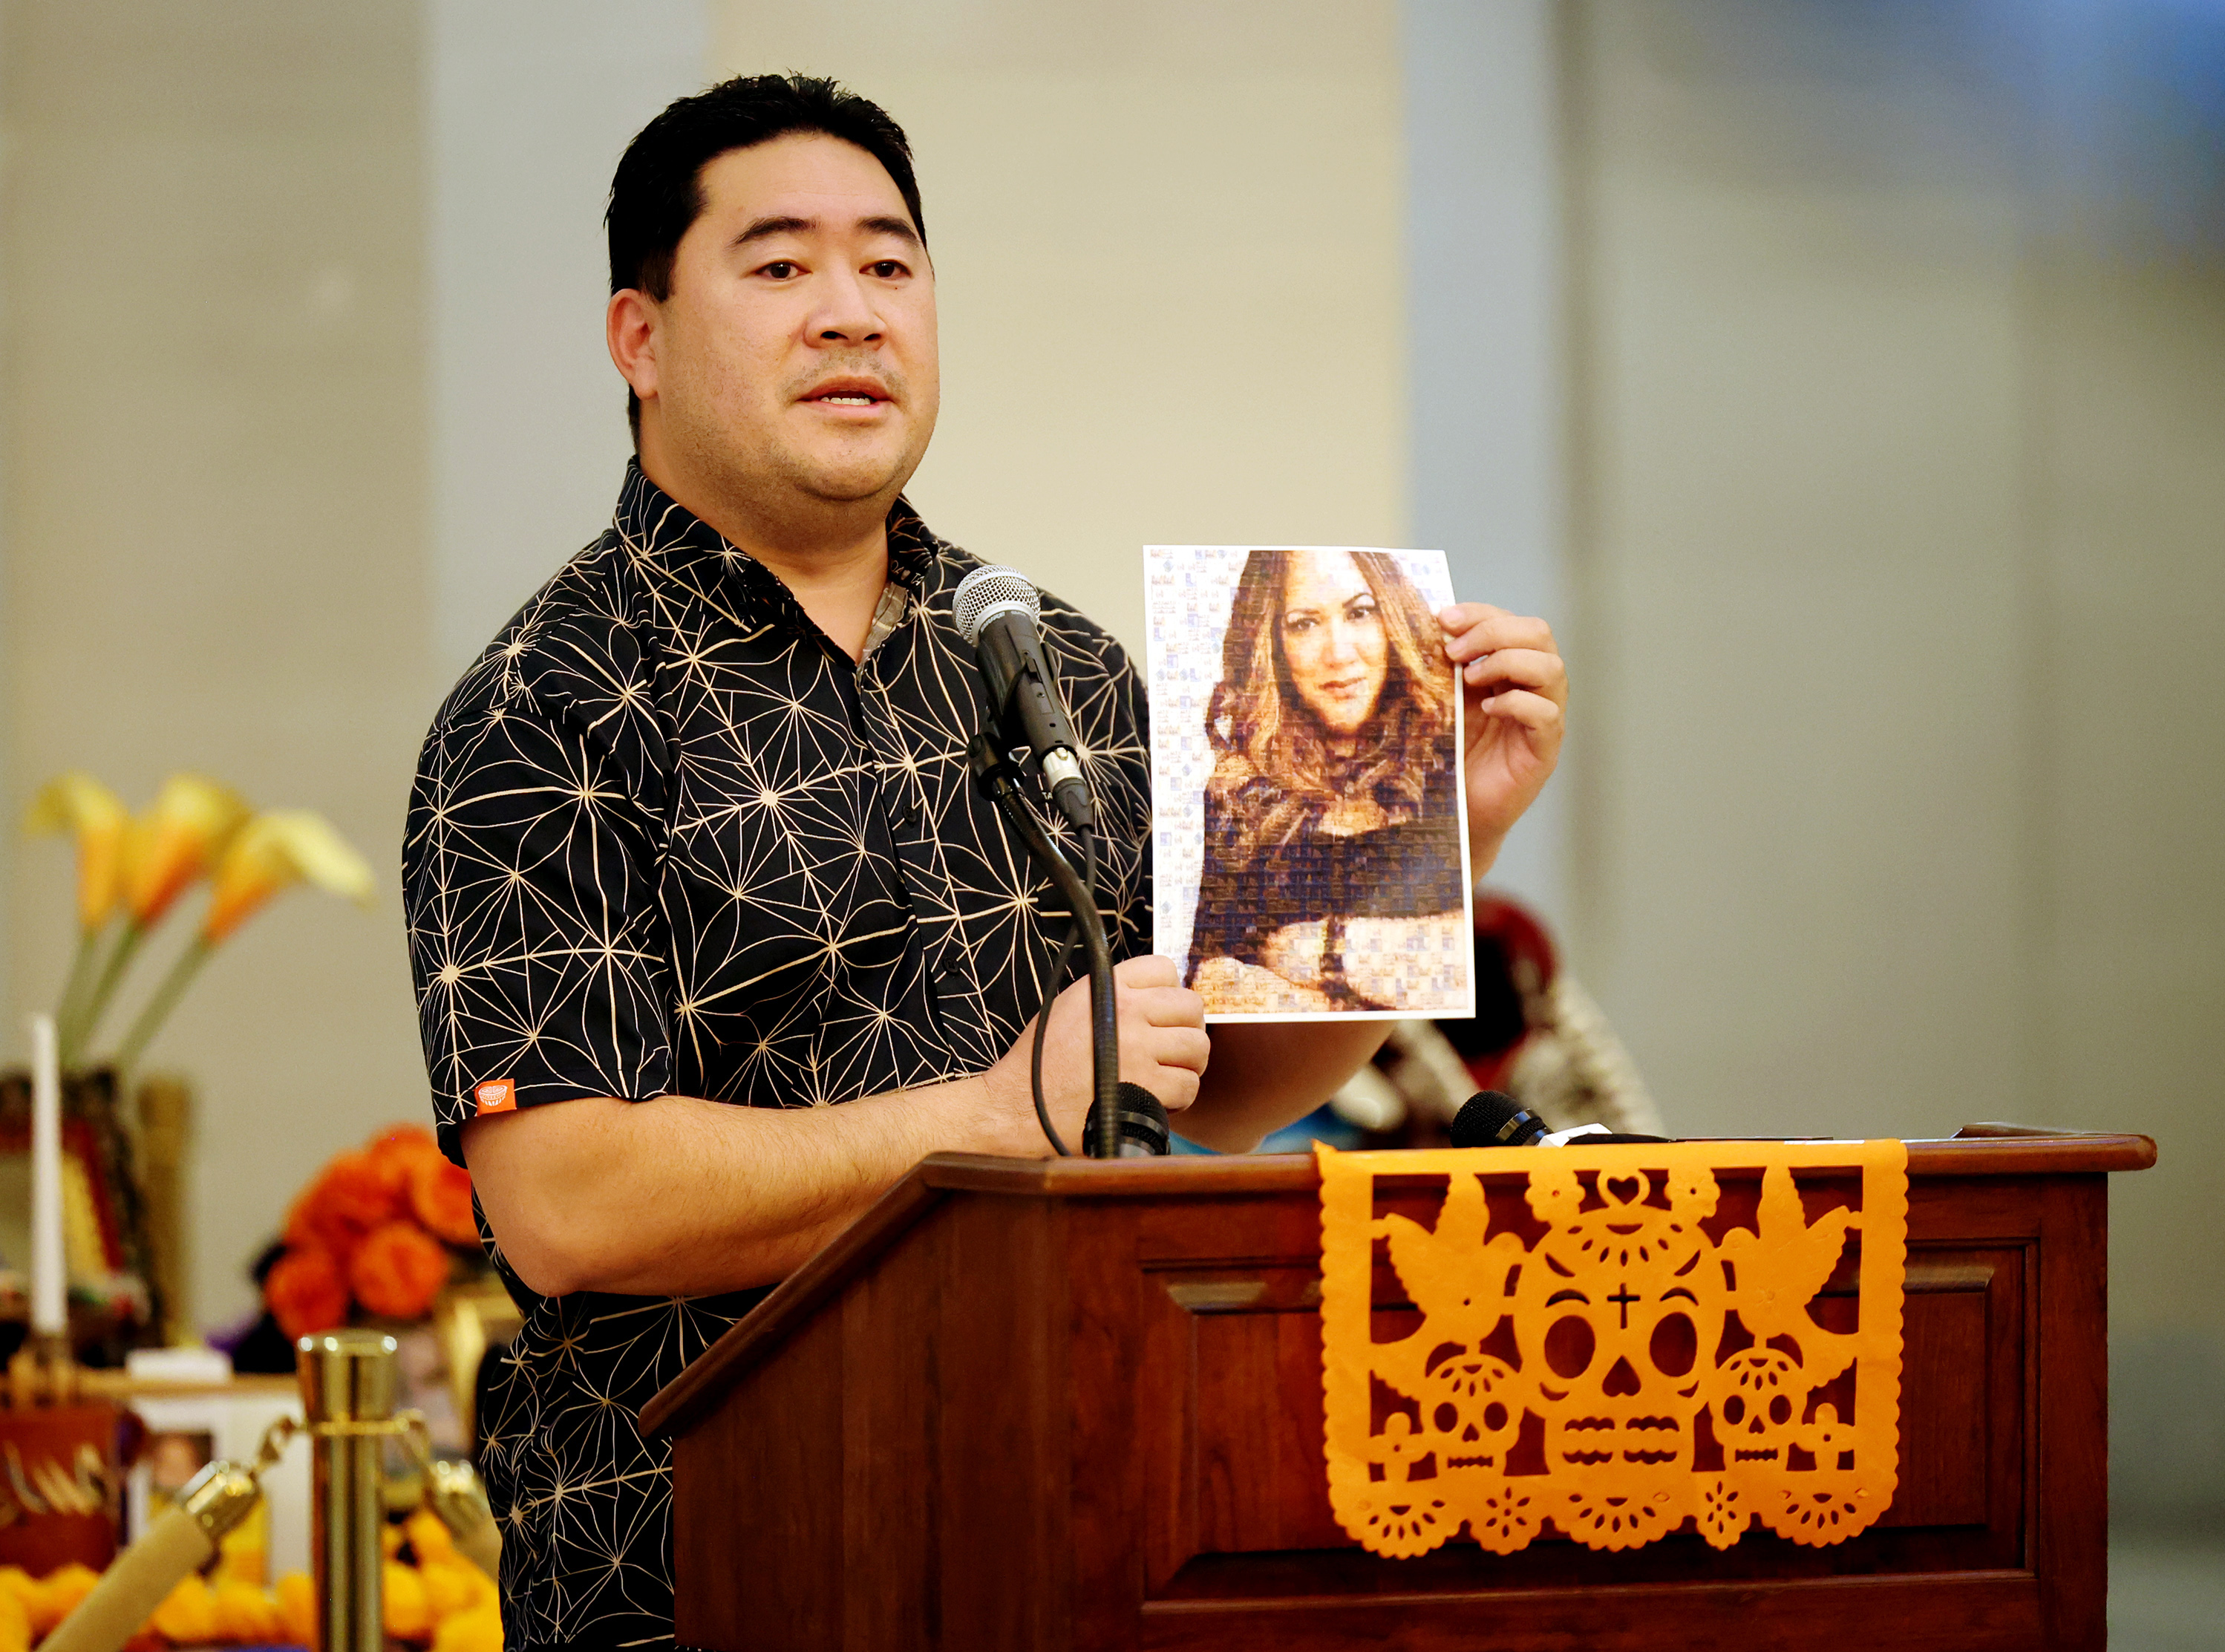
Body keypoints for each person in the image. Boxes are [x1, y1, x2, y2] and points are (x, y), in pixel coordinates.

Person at [402, 73, 1567, 1651]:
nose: (850, 314)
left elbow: (1215, 1077)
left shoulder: (1044, 658)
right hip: (719, 1564)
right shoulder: (547, 705)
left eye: (890, 265)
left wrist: (1436, 836)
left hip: (1093, 1524)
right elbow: (569, 1198)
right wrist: (995, 1115)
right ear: (641, 338)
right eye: (780, 265)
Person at [1185, 547, 1468, 1013]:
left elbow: (1463, 962)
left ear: (1393, 619)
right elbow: (1210, 984)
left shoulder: (1445, 760)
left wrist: (1327, 950)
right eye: (1304, 623)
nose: (1338, 653)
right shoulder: (1232, 805)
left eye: (1360, 613)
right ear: (1270, 643)